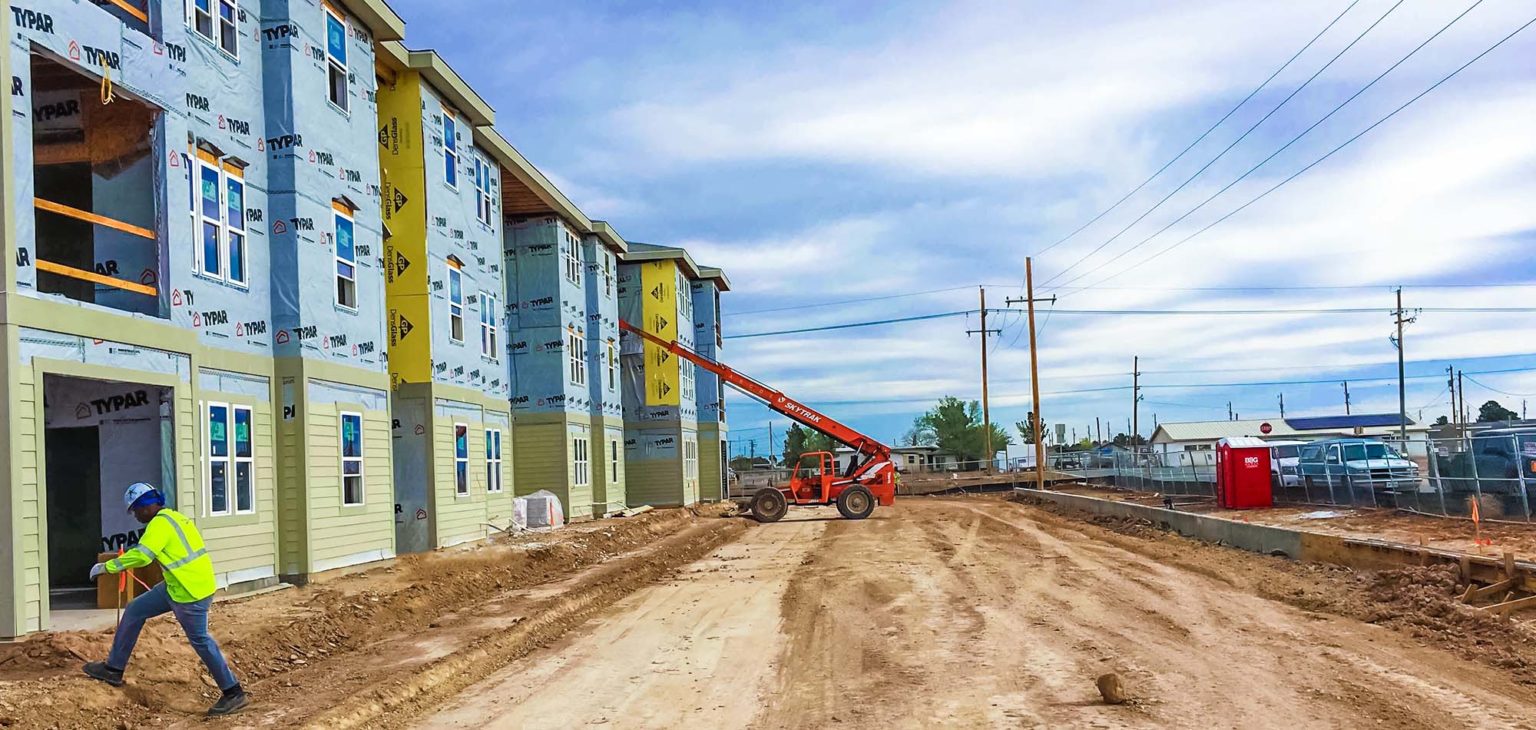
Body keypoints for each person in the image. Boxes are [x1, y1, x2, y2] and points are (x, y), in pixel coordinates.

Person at [82, 483, 247, 716]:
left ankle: (233, 692)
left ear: (146, 507)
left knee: (200, 640)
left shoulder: (159, 525)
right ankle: (114, 668)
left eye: (135, 510)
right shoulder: (173, 517)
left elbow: (143, 556)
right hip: (179, 585)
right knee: (135, 609)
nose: (135, 515)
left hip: (189, 592)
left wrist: (107, 567)